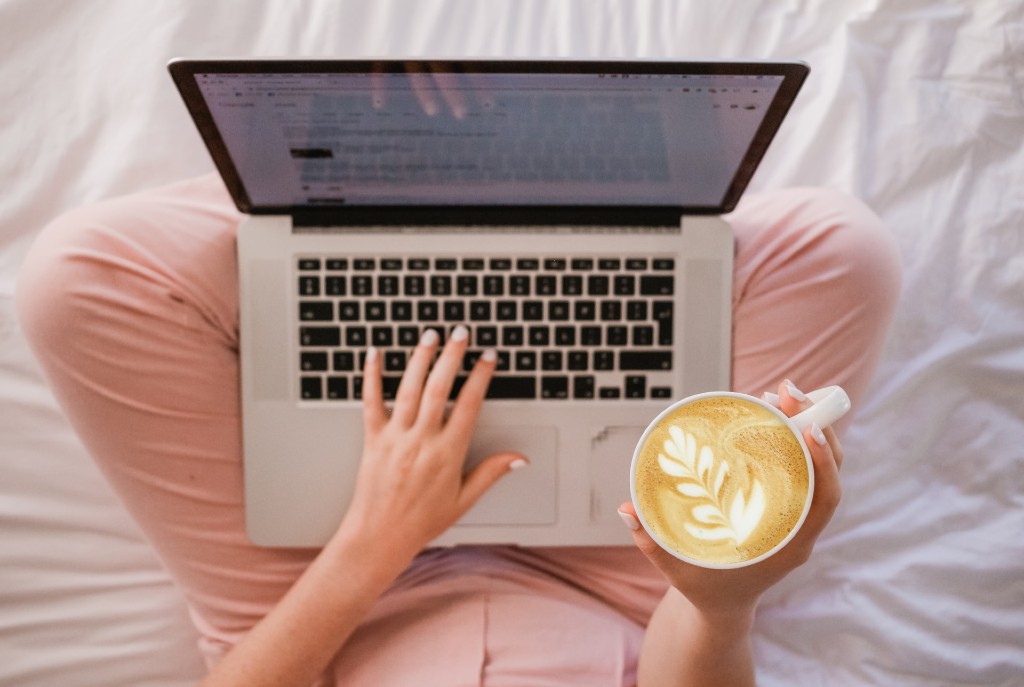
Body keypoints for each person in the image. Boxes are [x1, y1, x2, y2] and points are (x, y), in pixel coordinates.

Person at [15, 173, 901, 686]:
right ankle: (544, 185)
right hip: (632, 594)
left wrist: (376, 538)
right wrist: (721, 599)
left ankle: (366, 183)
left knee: (78, 276)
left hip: (332, 605)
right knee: (841, 249)